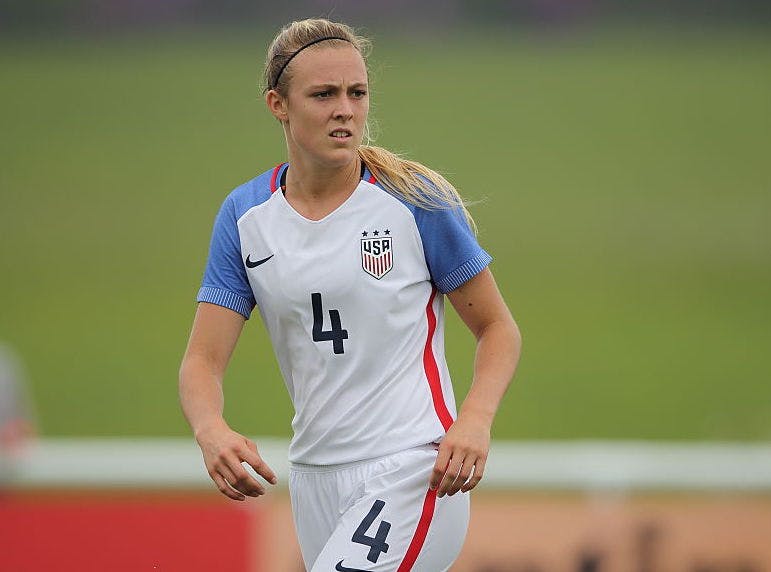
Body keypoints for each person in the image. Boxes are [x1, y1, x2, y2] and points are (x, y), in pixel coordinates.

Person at [178, 18, 521, 571]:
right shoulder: (246, 216)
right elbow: (201, 360)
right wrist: (210, 430)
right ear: (278, 105)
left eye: (356, 93)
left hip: (413, 469)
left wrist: (475, 420)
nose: (345, 109)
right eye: (324, 95)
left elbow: (498, 328)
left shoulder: (413, 201)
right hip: (314, 478)